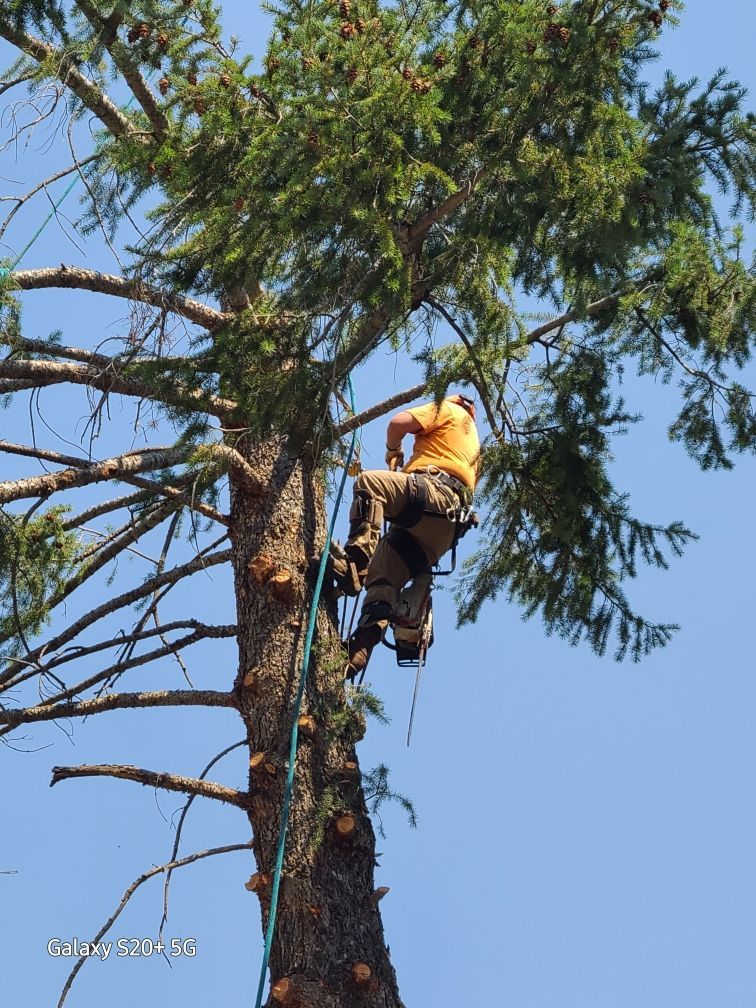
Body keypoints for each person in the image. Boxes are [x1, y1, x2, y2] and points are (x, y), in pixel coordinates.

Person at [331, 393, 480, 678]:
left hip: (434, 495)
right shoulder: (471, 447)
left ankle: (355, 562)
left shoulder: (448, 410)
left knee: (370, 484)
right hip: (442, 532)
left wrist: (393, 449)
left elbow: (397, 424)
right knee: (385, 569)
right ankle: (362, 645)